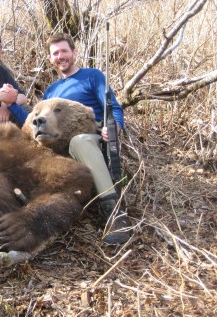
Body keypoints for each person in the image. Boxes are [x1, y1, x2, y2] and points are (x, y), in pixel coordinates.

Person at [44, 33, 132, 245]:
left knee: (79, 141)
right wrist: (7, 104)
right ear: (50, 59)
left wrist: (114, 128)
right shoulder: (50, 91)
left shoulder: (92, 76)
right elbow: (36, 120)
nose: (60, 56)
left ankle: (116, 215)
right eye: (55, 53)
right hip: (60, 141)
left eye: (64, 51)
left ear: (74, 53)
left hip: (90, 136)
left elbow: (114, 109)